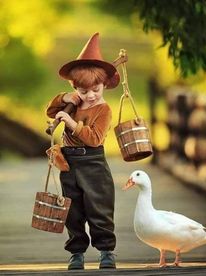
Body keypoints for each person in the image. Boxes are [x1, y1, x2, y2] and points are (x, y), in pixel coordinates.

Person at [46, 33, 120, 270]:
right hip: (69, 163)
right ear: (75, 87)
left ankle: (106, 251)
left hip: (93, 164)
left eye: (95, 90)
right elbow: (51, 110)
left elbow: (94, 138)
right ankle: (76, 253)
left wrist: (70, 122)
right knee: (73, 210)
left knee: (99, 208)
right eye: (83, 90)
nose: (90, 96)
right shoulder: (74, 101)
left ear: (104, 85)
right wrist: (66, 98)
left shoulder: (104, 109)